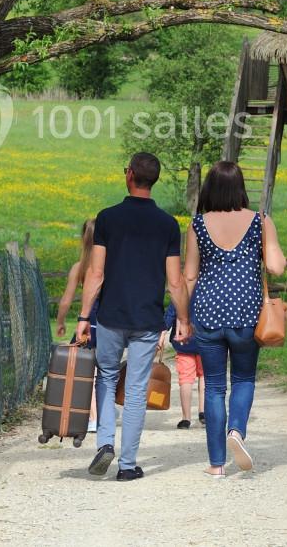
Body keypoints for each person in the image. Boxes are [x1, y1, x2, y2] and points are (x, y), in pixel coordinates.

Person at [75, 152, 190, 482]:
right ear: (154, 180)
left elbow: (96, 273)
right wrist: (182, 319)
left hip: (111, 316)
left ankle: (105, 443)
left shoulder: (108, 219)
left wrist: (84, 316)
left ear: (129, 176)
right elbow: (175, 281)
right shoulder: (168, 225)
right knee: (137, 390)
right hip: (147, 320)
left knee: (107, 378)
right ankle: (127, 465)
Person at [183, 160, 287, 478]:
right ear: (240, 188)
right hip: (246, 314)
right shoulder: (259, 221)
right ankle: (237, 431)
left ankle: (216, 465)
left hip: (208, 314)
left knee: (214, 387)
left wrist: (183, 318)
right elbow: (276, 267)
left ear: (209, 189)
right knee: (243, 379)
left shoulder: (197, 225)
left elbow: (190, 276)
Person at [55, 218, 98, 431]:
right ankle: (103, 410)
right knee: (105, 371)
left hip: (87, 324)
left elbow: (66, 300)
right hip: (109, 323)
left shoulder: (79, 267)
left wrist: (60, 322)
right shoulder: (112, 264)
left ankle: (92, 417)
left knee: (85, 372)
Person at [160, 301, 204, 429]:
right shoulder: (207, 291)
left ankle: (186, 418)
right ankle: (203, 412)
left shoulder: (180, 294)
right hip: (204, 340)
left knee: (185, 380)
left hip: (183, 342)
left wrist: (162, 335)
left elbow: (169, 315)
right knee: (204, 376)